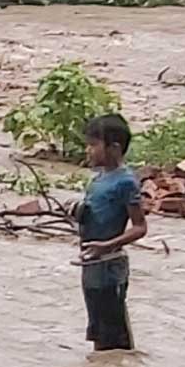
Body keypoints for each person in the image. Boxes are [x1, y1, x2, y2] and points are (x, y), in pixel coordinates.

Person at [75, 113, 147, 353]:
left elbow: (140, 227)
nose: (89, 150)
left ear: (114, 148)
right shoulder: (98, 179)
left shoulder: (126, 182)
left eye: (94, 145)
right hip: (92, 265)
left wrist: (106, 246)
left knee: (114, 338)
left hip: (109, 267)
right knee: (99, 333)